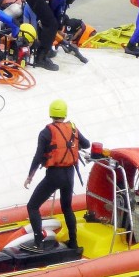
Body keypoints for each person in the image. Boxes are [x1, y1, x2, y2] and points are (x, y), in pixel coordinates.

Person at [23, 99, 90, 252]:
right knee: (67, 207)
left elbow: (38, 156)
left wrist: (30, 176)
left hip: (54, 175)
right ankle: (73, 242)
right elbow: (86, 144)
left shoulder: (46, 132)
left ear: (51, 114)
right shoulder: (73, 128)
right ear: (64, 113)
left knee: (32, 206)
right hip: (69, 174)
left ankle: (38, 242)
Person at [19, 0, 93, 70]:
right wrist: (56, 21)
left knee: (48, 20)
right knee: (50, 23)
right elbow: (55, 2)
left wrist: (57, 19)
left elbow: (57, 1)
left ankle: (45, 50)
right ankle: (41, 58)